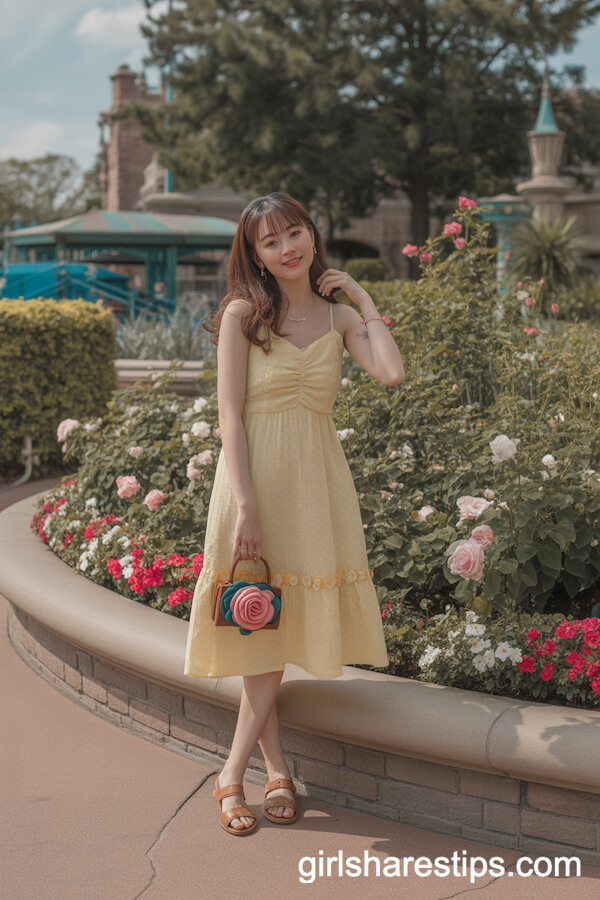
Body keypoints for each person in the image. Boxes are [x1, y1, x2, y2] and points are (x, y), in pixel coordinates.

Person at [183, 192, 405, 836]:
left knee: (271, 631)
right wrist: (246, 505)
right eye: (270, 240)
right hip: (254, 481)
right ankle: (234, 774)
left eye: (295, 231)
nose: (288, 247)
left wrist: (363, 303)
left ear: (313, 234)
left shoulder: (338, 319)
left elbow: (389, 372)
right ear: (253, 254)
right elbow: (230, 415)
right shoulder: (243, 315)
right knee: (259, 621)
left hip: (318, 482)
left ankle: (274, 771)